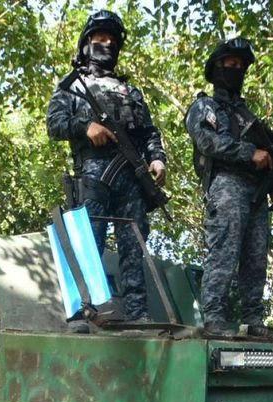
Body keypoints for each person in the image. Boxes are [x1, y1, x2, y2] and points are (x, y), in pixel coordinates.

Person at [46, 9, 167, 325]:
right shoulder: (73, 86)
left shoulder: (130, 92)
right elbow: (54, 124)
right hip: (94, 174)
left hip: (132, 175)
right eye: (101, 37)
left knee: (134, 246)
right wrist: (85, 127)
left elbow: (148, 132)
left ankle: (138, 313)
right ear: (87, 43)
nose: (108, 43)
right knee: (88, 242)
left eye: (112, 39)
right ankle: (82, 310)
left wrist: (157, 158)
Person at [186, 37, 273, 341]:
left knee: (256, 257)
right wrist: (249, 152)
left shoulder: (248, 116)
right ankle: (214, 317)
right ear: (216, 68)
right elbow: (206, 142)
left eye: (241, 66)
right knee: (224, 251)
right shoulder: (204, 106)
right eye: (230, 64)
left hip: (256, 192)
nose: (236, 70)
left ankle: (253, 319)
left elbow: (268, 156)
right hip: (227, 185)